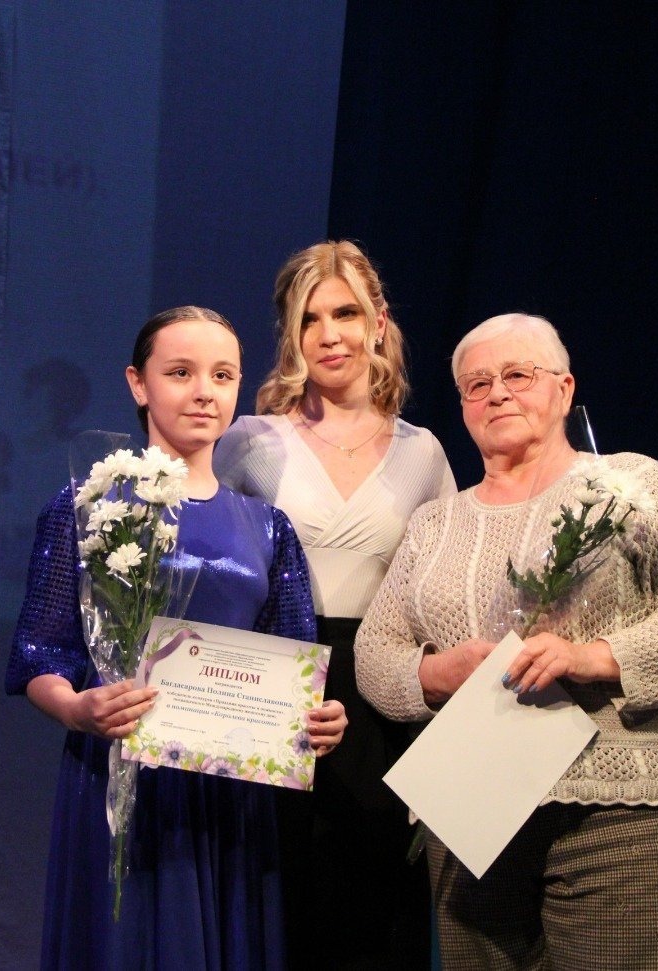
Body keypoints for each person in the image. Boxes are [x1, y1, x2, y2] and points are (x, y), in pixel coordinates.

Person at [354, 312, 658, 970]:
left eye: (518, 375)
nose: (498, 393)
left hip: (614, 811)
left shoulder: (627, 486)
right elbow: (373, 652)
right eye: (477, 384)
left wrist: (592, 657)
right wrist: (438, 672)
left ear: (564, 389)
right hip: (473, 807)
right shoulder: (434, 523)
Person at [6, 306, 348, 971]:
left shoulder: (268, 527)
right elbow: (40, 653)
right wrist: (78, 708)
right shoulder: (87, 507)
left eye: (222, 375)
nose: (204, 392)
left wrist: (320, 719)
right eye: (180, 372)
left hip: (229, 795)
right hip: (120, 779)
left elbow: (295, 670)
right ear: (139, 384)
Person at [215, 241, 455, 969]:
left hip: (380, 698)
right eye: (309, 319)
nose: (329, 334)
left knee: (373, 915)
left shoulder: (423, 453)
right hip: (273, 689)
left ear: (377, 322)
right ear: (291, 335)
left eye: (345, 313)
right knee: (279, 903)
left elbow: (443, 595)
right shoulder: (251, 443)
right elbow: (208, 576)